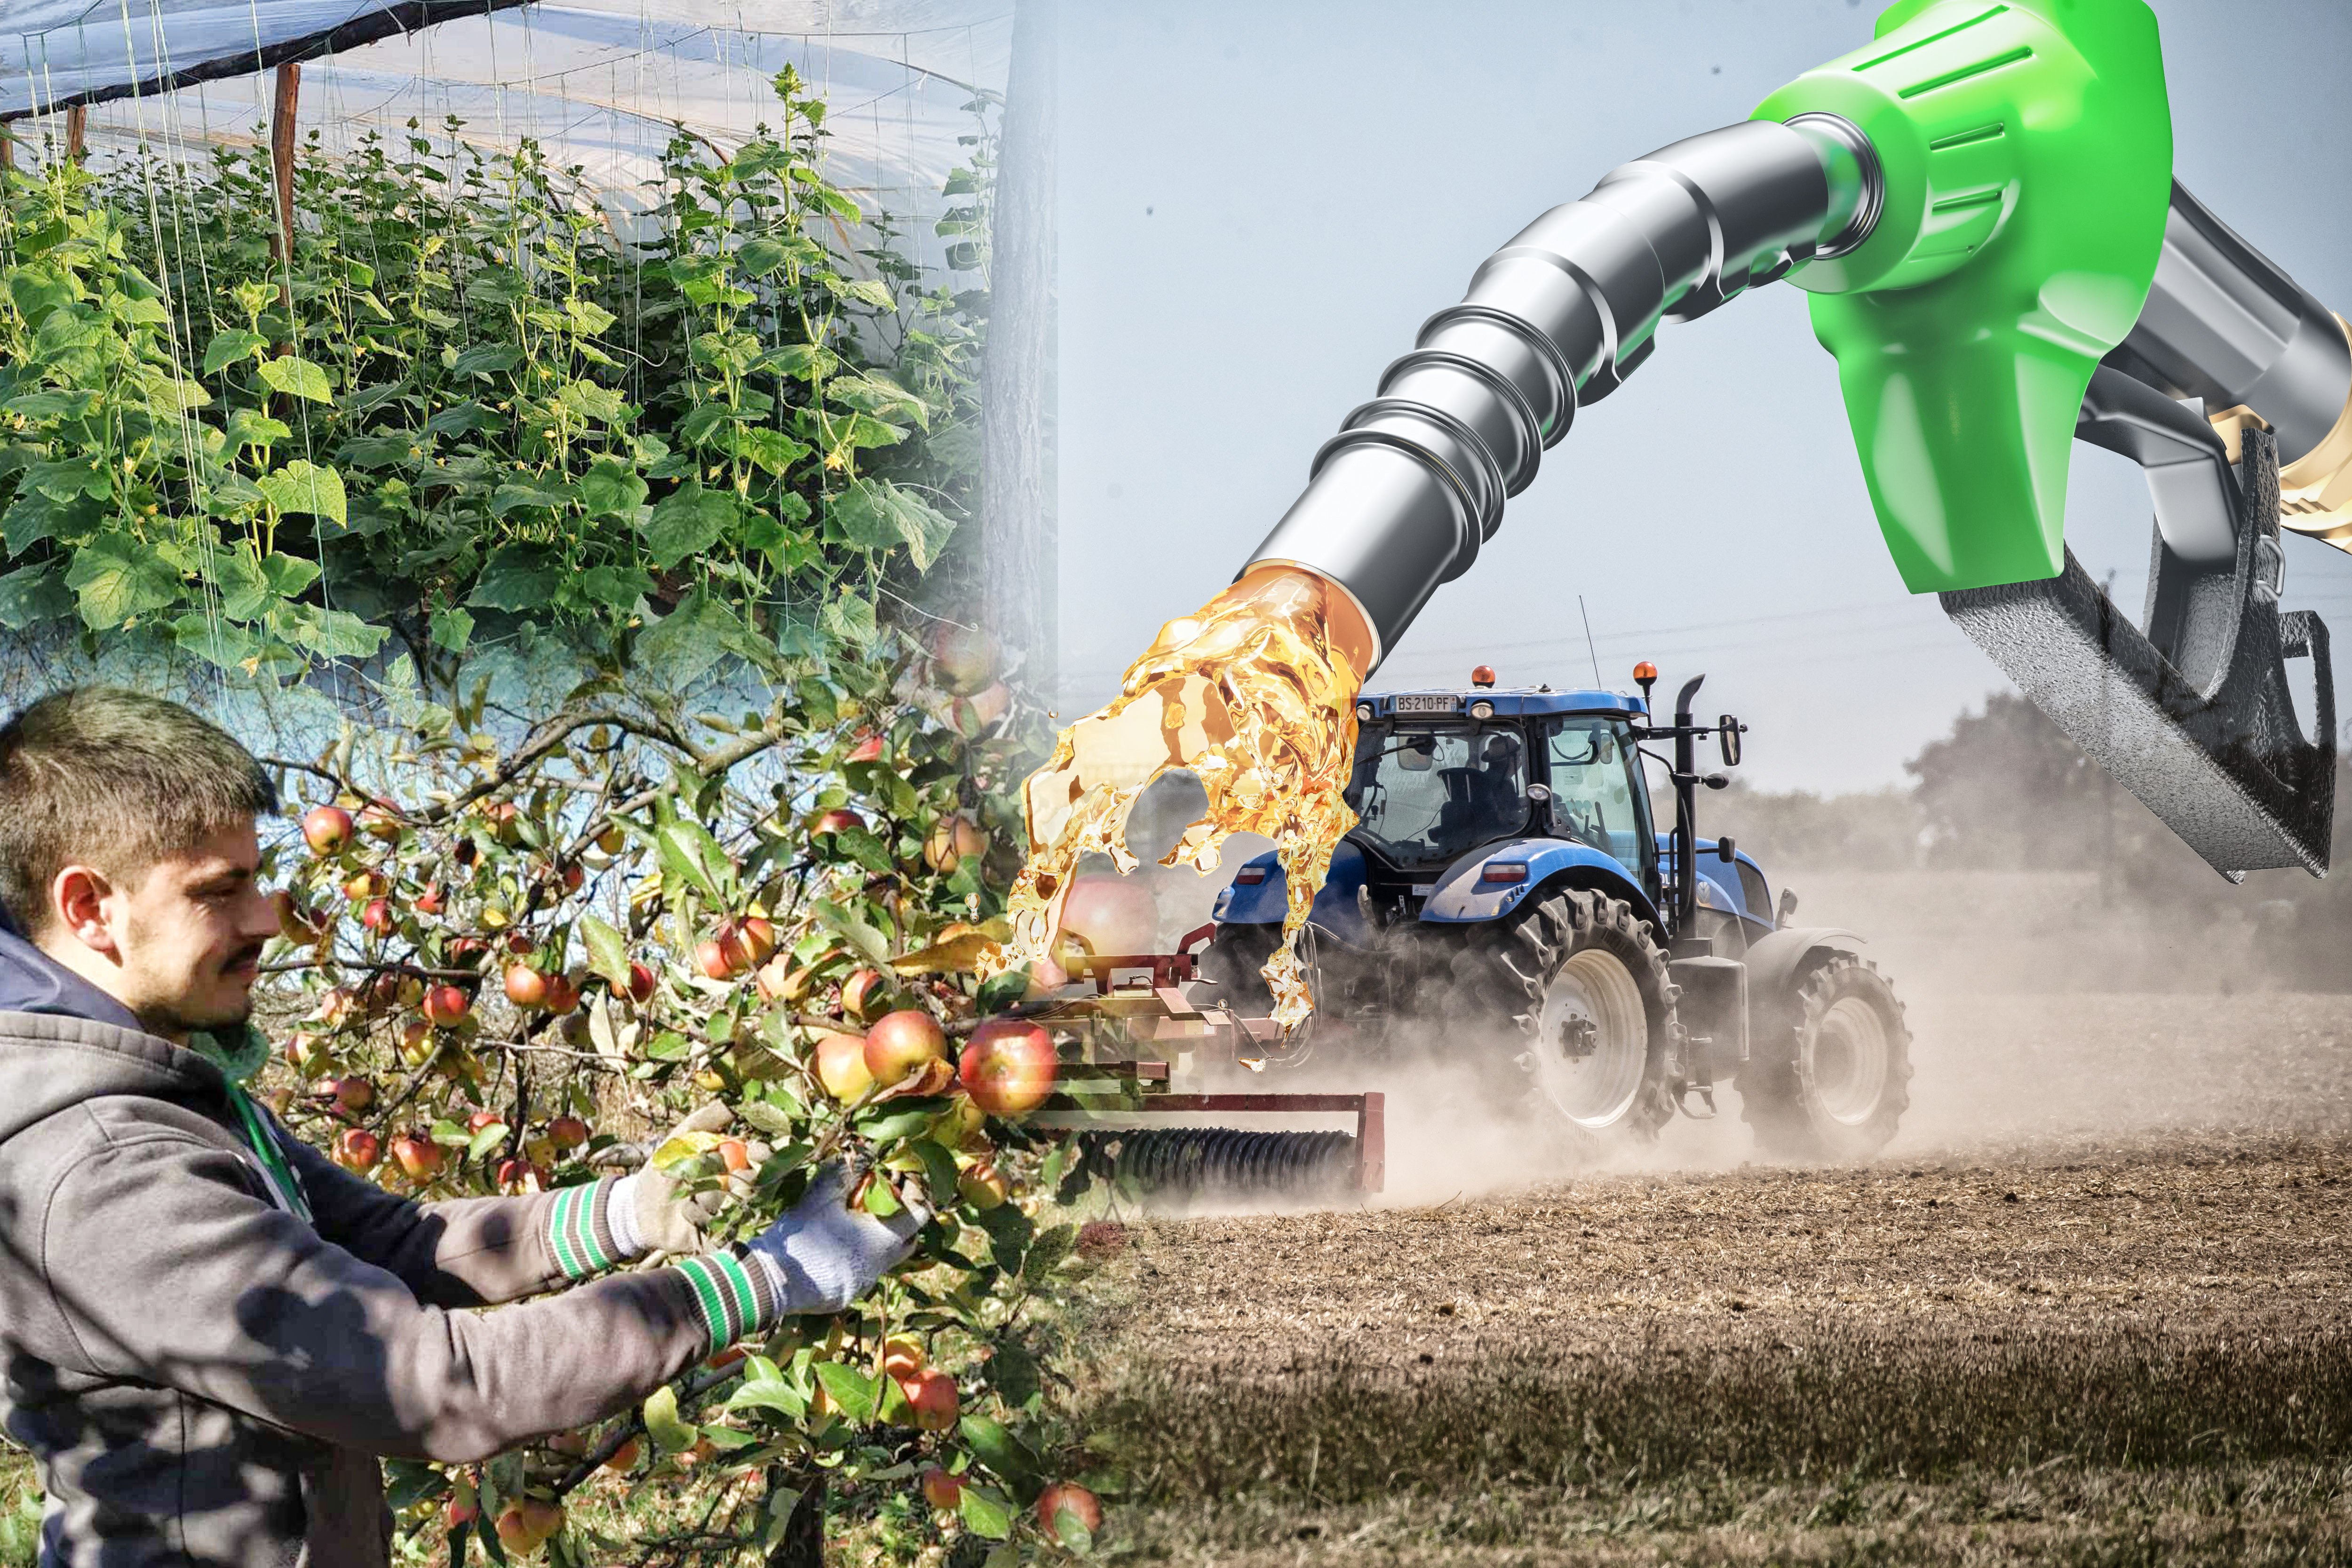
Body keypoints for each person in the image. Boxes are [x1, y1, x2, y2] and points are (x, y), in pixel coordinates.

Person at [0, 687, 928, 1567]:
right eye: (219, 889)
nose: (268, 918)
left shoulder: (173, 1087)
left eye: (260, 878)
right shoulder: (102, 1164)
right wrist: (769, 1276)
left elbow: (395, 1242)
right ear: (91, 908)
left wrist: (634, 1211)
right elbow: (439, 1381)